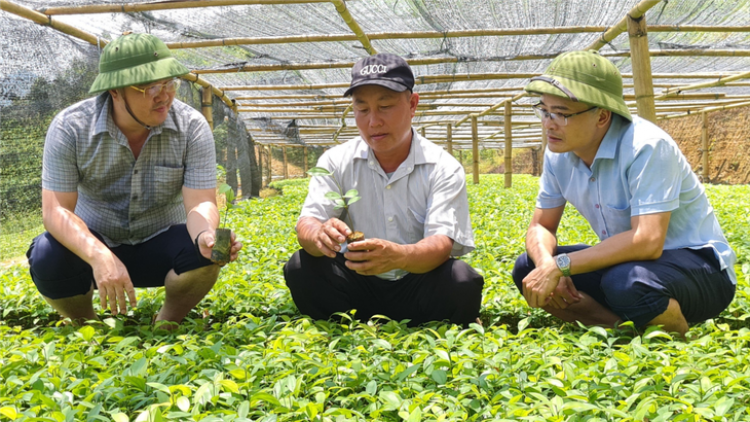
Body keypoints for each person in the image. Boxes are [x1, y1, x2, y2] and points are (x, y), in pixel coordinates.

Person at [512, 50, 736, 338]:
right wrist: (546, 266)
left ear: (602, 116)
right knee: (526, 268)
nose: (548, 123)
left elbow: (647, 242)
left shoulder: (646, 146)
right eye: (544, 110)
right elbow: (541, 226)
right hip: (631, 267)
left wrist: (562, 266)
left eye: (562, 114)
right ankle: (620, 329)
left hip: (702, 272)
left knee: (626, 282)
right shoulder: (559, 153)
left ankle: (675, 336)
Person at [26, 33, 242, 326]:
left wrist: (204, 234)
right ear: (115, 91)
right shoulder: (70, 128)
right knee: (47, 254)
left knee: (216, 244)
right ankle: (88, 325)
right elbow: (56, 211)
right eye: (150, 86)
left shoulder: (192, 127)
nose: (164, 94)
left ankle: (167, 321)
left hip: (161, 242)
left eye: (169, 83)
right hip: (96, 244)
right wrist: (98, 254)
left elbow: (200, 203)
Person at [283, 53, 484, 326]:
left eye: (385, 106)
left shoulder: (442, 167)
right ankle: (350, 322)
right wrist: (318, 234)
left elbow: (441, 244)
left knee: (462, 280)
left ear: (412, 105)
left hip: (417, 283)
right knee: (301, 267)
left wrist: (398, 256)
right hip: (356, 282)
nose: (373, 122)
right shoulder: (336, 161)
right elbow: (307, 222)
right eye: (362, 109)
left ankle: (415, 321)